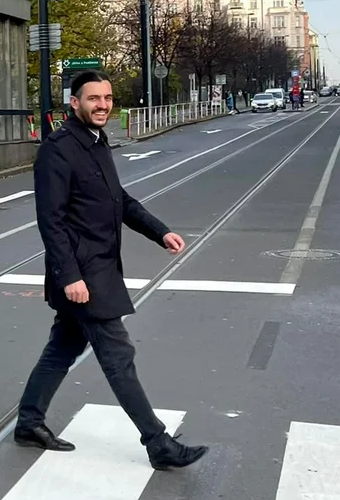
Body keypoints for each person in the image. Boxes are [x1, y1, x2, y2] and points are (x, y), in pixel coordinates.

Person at [14, 70, 209, 470]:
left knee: (62, 348)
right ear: (75, 103)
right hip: (84, 274)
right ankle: (158, 442)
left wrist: (160, 232)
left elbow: (118, 199)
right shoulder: (58, 150)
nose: (102, 105)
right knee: (118, 356)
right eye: (93, 99)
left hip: (98, 267)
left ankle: (29, 423)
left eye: (107, 98)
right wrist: (70, 276)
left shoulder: (97, 142)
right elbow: (51, 221)